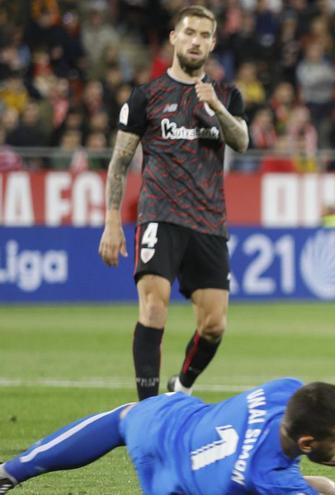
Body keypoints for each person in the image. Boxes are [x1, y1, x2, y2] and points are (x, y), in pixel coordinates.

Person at [97, 6, 249, 400]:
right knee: (153, 307)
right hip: (159, 215)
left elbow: (241, 141)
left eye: (204, 35)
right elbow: (120, 162)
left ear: (213, 43)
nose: (196, 41)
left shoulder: (228, 95)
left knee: (214, 324)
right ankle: (148, 411)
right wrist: (112, 221)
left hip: (208, 222)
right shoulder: (146, 97)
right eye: (190, 33)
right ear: (174, 38)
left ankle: (180, 385)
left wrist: (215, 105)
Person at [0, 378, 335, 494]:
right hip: (180, 483)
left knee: (123, 417)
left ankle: (10, 472)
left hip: (167, 421)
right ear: (306, 443)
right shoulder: (266, 480)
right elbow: (324, 458)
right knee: (323, 489)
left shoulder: (287, 392)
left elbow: (327, 449)